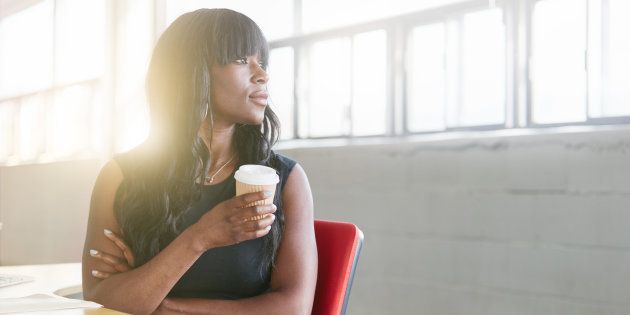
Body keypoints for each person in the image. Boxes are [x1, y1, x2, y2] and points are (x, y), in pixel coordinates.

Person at [81, 8, 317, 315]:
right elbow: (101, 299)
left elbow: (294, 308)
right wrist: (200, 237)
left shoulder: (285, 179)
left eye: (262, 62)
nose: (262, 74)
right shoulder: (121, 176)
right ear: (193, 71)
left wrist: (167, 304)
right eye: (241, 60)